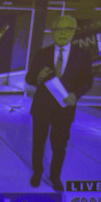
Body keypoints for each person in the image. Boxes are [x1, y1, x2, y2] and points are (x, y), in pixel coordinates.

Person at [24, 15, 93, 189]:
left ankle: (55, 176)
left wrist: (76, 95)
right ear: (52, 32)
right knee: (38, 143)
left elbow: (87, 81)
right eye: (58, 29)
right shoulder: (42, 54)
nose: (62, 33)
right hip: (41, 108)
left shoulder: (82, 55)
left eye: (67, 29)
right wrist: (37, 78)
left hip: (65, 109)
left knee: (59, 145)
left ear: (74, 32)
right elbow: (29, 78)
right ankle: (37, 173)